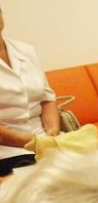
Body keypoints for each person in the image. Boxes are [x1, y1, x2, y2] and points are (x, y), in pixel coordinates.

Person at [0, 6, 60, 177]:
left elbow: (47, 99)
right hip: (9, 151)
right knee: (45, 183)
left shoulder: (26, 51)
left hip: (46, 140)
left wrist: (52, 133)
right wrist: (35, 142)